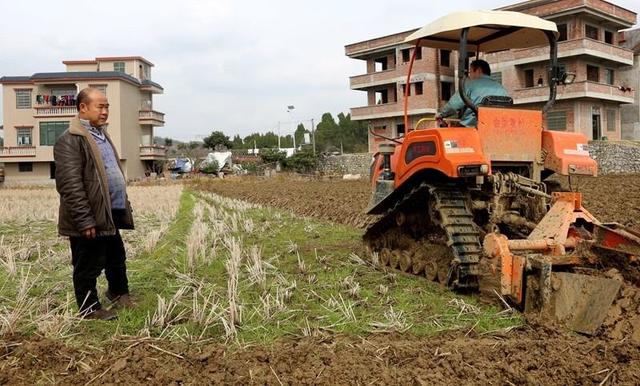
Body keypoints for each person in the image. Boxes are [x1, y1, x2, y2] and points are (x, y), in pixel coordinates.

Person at [54, 88, 135, 320]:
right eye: (100, 106)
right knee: (88, 263)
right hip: (89, 216)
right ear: (83, 108)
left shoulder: (101, 135)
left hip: (109, 212)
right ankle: (89, 309)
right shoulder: (70, 140)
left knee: (116, 257)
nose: (105, 111)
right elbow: (70, 185)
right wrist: (84, 220)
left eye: (107, 106)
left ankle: (118, 292)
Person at [437, 59, 508, 127]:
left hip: (472, 127)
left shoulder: (469, 84)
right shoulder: (501, 88)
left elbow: (453, 105)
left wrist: (441, 114)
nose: (469, 76)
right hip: (496, 126)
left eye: (470, 72)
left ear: (478, 70)